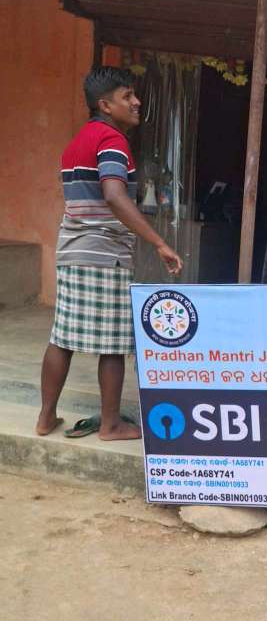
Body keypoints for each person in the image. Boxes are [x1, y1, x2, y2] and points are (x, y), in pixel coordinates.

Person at [36, 67, 182, 440]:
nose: (136, 102)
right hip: (105, 254)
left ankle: (46, 417)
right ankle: (111, 424)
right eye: (127, 96)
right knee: (114, 344)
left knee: (62, 337)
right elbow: (114, 195)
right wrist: (159, 242)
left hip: (72, 251)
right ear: (105, 105)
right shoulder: (113, 141)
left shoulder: (76, 143)